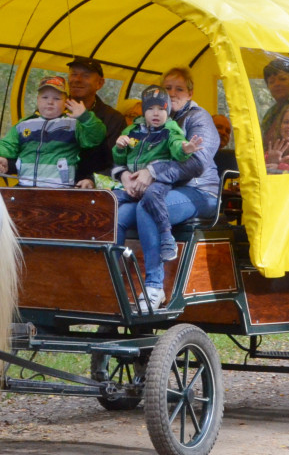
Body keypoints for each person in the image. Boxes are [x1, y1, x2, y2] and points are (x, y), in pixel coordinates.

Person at [116, 67, 219, 311]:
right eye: (168, 88)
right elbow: (131, 155)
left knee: (147, 208)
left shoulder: (198, 118)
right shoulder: (153, 120)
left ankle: (153, 286)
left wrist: (152, 173)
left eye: (179, 89)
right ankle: (115, 282)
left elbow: (198, 163)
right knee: (116, 216)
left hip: (200, 191)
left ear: (190, 93)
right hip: (164, 191)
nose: (172, 94)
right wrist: (125, 176)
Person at [113, 86, 203, 262]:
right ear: (144, 111)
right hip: (133, 181)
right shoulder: (131, 130)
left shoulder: (170, 129)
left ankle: (166, 236)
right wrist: (119, 147)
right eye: (150, 109)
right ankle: (111, 258)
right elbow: (118, 158)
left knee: (152, 195)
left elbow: (177, 145)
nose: (156, 113)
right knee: (111, 199)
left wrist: (185, 149)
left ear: (168, 110)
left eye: (161, 109)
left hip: (157, 179)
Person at [0, 75, 106, 187]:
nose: (50, 102)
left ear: (66, 101)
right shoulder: (24, 124)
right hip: (25, 187)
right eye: (45, 97)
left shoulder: (74, 124)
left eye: (57, 98)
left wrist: (85, 117)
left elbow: (95, 138)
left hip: (61, 189)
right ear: (38, 99)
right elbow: (7, 145)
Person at [67, 57, 126, 188]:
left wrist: (92, 180)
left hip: (92, 190)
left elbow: (117, 163)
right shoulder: (53, 111)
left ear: (100, 83)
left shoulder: (113, 119)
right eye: (74, 74)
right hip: (51, 185)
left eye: (85, 75)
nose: (77, 79)